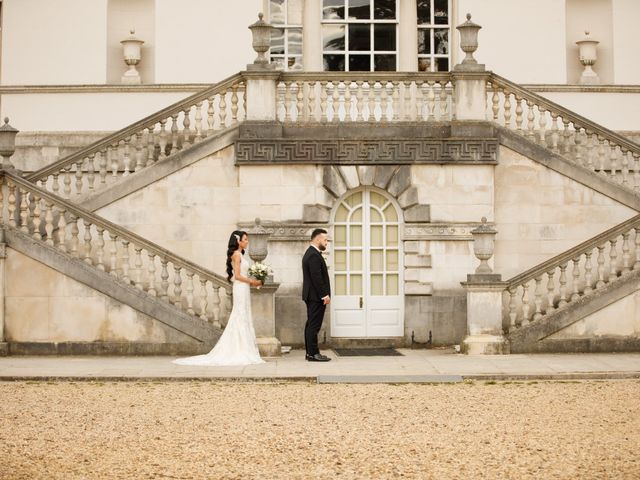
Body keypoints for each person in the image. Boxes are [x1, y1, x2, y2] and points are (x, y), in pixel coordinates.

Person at [173, 230, 265, 366]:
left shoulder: (240, 255)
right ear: (238, 241)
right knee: (239, 315)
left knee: (243, 314)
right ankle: (240, 349)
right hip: (240, 287)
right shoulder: (236, 255)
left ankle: (244, 347)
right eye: (245, 239)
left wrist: (255, 279)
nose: (247, 241)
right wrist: (253, 282)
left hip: (243, 288)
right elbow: (238, 276)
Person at [302, 228, 332, 362]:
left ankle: (310, 353)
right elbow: (316, 277)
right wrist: (324, 295)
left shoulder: (311, 253)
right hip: (315, 297)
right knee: (313, 326)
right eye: (325, 240)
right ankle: (313, 353)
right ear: (318, 239)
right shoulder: (313, 254)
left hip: (313, 296)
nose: (326, 242)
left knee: (311, 325)